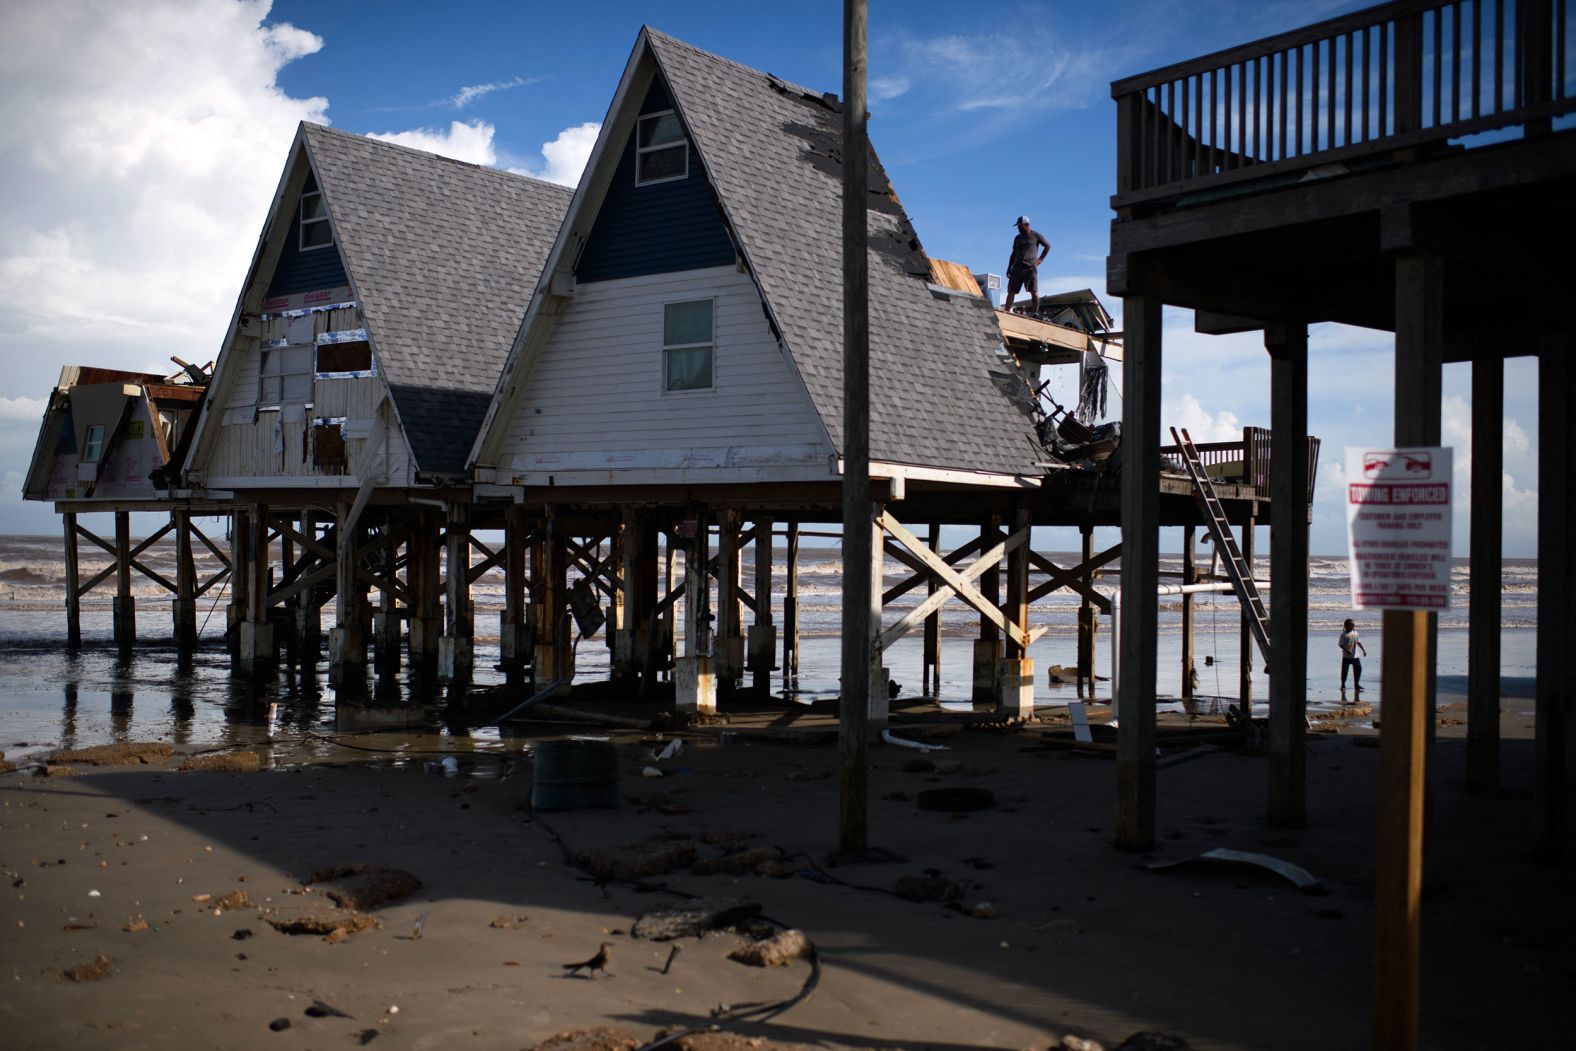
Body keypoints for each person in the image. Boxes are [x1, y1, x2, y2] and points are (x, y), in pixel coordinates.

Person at [1003, 215, 1050, 315]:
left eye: (1020, 226)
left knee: (1034, 291)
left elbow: (1047, 246)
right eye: (1018, 226)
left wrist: (1040, 259)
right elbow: (1013, 253)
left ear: (1027, 225)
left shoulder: (1035, 235)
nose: (1018, 228)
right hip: (1017, 268)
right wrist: (1009, 267)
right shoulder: (1017, 238)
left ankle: (1035, 314)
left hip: (1030, 268)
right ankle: (1006, 312)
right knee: (1011, 291)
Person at [1339, 618, 1367, 698]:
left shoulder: (1355, 632)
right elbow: (1340, 644)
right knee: (1345, 671)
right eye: (1351, 624)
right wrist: (1347, 650)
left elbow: (1358, 642)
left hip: (1356, 655)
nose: (1353, 625)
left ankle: (1357, 685)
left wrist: (1363, 650)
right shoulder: (1343, 634)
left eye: (1353, 624)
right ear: (1346, 626)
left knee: (1358, 669)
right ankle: (1343, 685)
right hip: (1346, 656)